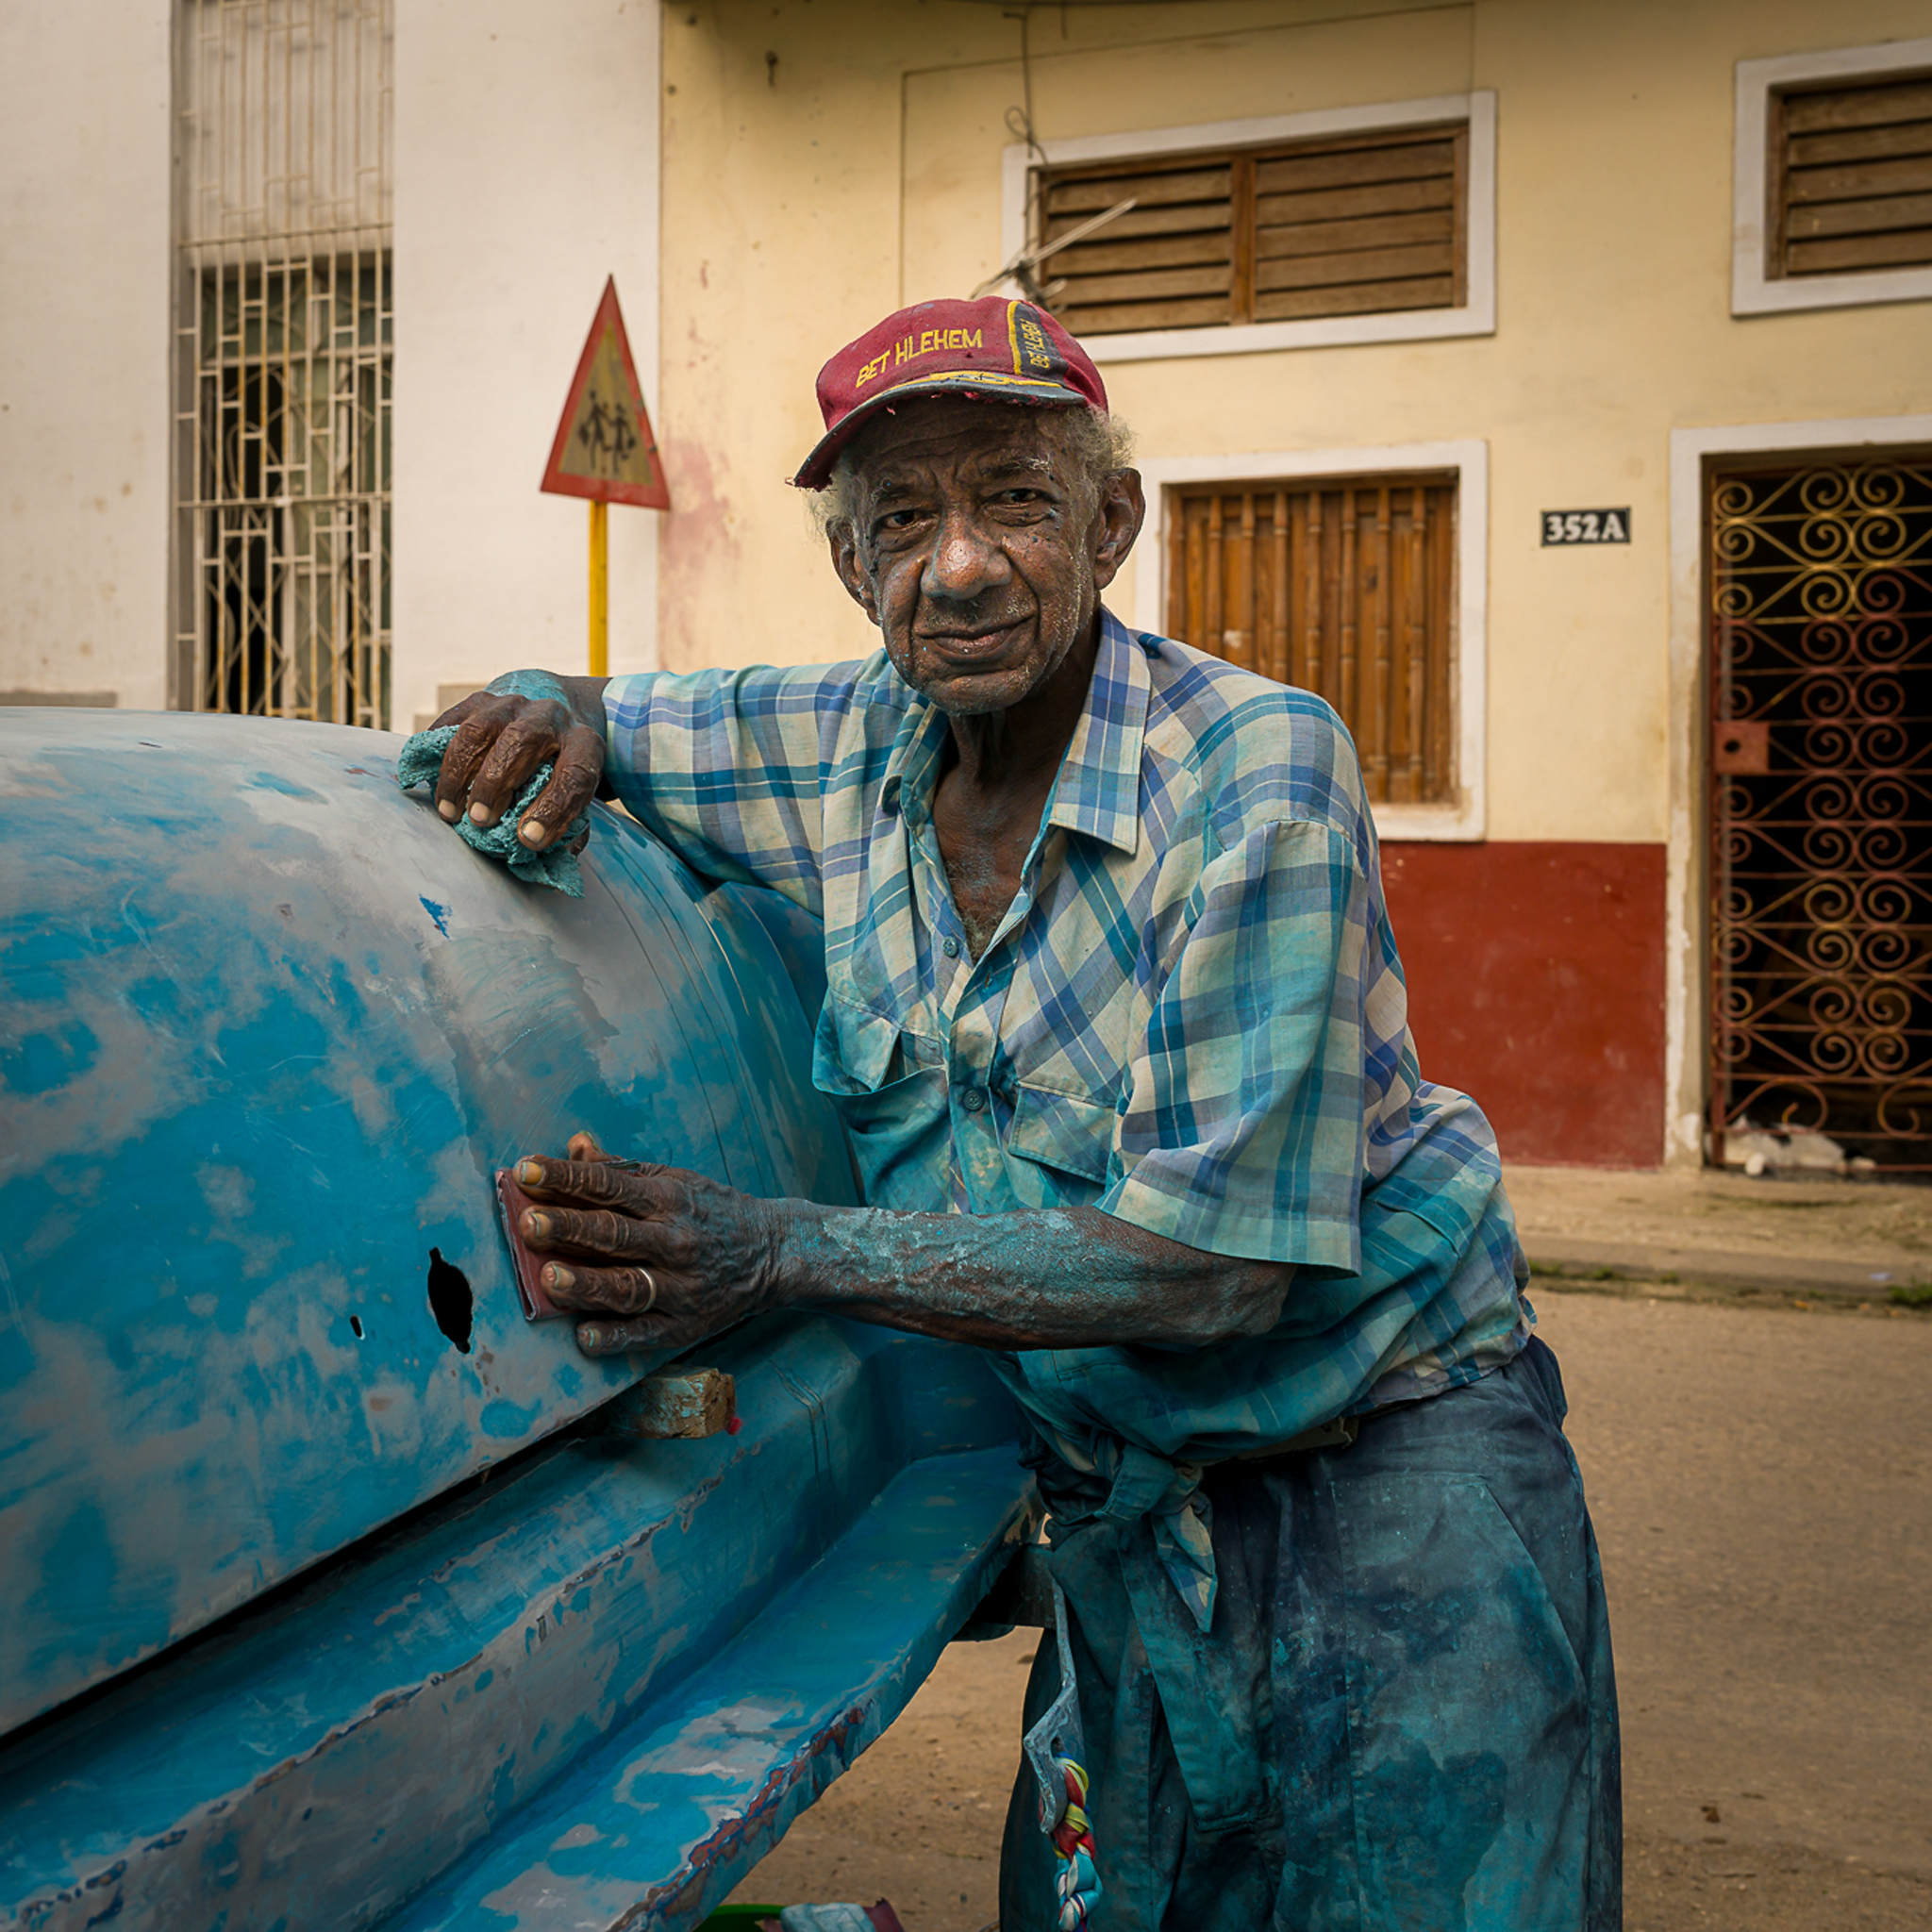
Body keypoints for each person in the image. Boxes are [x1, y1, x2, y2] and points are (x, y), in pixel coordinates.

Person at [425, 296, 1620, 1931]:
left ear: (1112, 523)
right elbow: (602, 710)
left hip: (1389, 1470)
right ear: (856, 571)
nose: (961, 564)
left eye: (1015, 498)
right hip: (1123, 1507)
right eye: (902, 520)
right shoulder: (842, 738)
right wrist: (540, 698)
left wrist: (773, 1253)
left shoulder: (1255, 770)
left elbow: (1211, 1271)